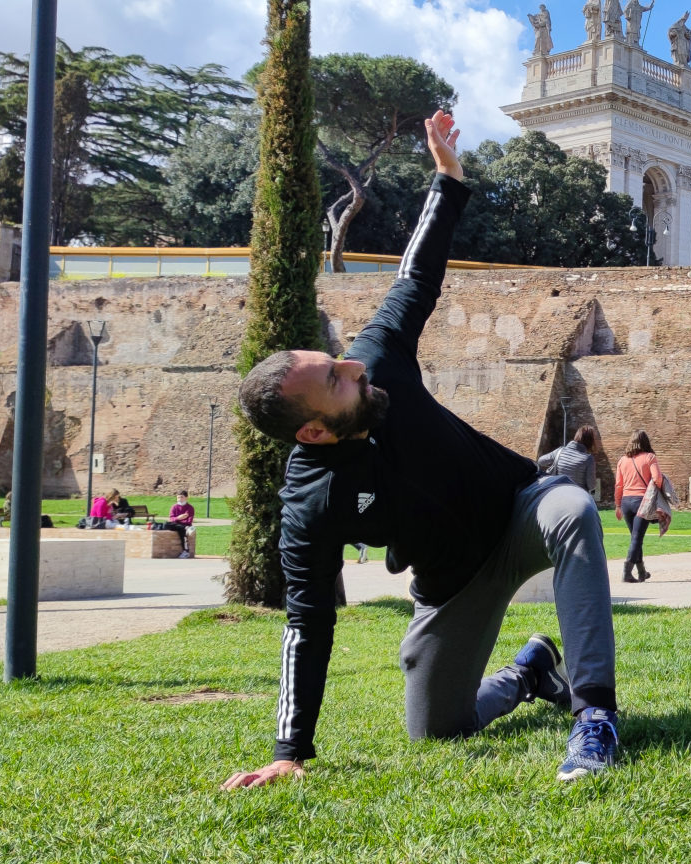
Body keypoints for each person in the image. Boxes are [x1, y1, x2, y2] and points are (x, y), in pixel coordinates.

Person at [221, 111, 621, 791]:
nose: (353, 369)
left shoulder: (375, 359)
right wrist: (290, 748)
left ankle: (595, 718)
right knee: (438, 728)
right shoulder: (308, 501)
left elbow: (413, 279)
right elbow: (305, 622)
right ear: (312, 432)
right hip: (451, 583)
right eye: (334, 380)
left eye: (338, 360)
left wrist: (447, 180)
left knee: (573, 510)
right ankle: (529, 671)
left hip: (520, 507)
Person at [614, 430, 670, 583]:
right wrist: (658, 490)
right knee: (637, 538)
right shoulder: (650, 457)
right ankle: (627, 572)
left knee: (635, 537)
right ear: (646, 442)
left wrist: (618, 505)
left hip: (626, 501)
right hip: (642, 501)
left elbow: (619, 485)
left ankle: (642, 572)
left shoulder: (622, 460)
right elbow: (657, 478)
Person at [537, 425, 598, 492]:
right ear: (590, 441)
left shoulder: (559, 451)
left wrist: (556, 463)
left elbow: (541, 461)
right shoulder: (588, 459)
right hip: (577, 495)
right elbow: (591, 486)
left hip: (557, 492)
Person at [163, 491, 196, 558]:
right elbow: (171, 518)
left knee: (182, 531)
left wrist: (179, 520)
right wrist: (178, 518)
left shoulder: (190, 508)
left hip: (185, 525)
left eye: (182, 497)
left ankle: (186, 551)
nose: (179, 499)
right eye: (178, 497)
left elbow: (189, 520)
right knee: (166, 524)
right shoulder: (174, 507)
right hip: (177, 524)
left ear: (186, 498)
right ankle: (186, 529)